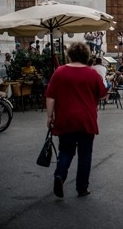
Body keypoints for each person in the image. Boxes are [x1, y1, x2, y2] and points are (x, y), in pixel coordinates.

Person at [45, 42, 107, 198]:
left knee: (66, 150)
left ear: (70, 55)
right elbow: (102, 94)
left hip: (65, 118)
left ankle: (60, 175)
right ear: (86, 56)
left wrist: (49, 116)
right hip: (87, 119)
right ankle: (82, 188)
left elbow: (50, 96)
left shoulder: (60, 72)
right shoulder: (92, 74)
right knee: (85, 154)